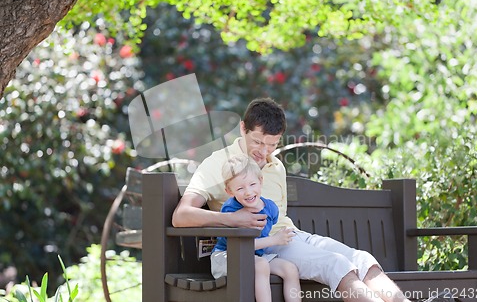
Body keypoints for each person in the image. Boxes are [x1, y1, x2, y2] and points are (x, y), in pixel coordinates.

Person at [172, 97, 441, 302]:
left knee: (362, 258)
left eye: (272, 144)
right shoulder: (217, 163)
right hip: (259, 247)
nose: (263, 151)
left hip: (290, 236)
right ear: (242, 128)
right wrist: (230, 219)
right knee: (337, 265)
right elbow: (181, 215)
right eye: (257, 141)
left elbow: (281, 221)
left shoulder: (275, 167)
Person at [211, 153, 301, 302]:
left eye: (252, 184)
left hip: (256, 256)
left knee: (290, 269)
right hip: (227, 257)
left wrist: (281, 236)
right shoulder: (231, 210)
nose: (248, 192)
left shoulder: (270, 207)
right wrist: (274, 240)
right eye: (240, 188)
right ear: (229, 191)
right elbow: (239, 246)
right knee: (261, 265)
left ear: (260, 181)